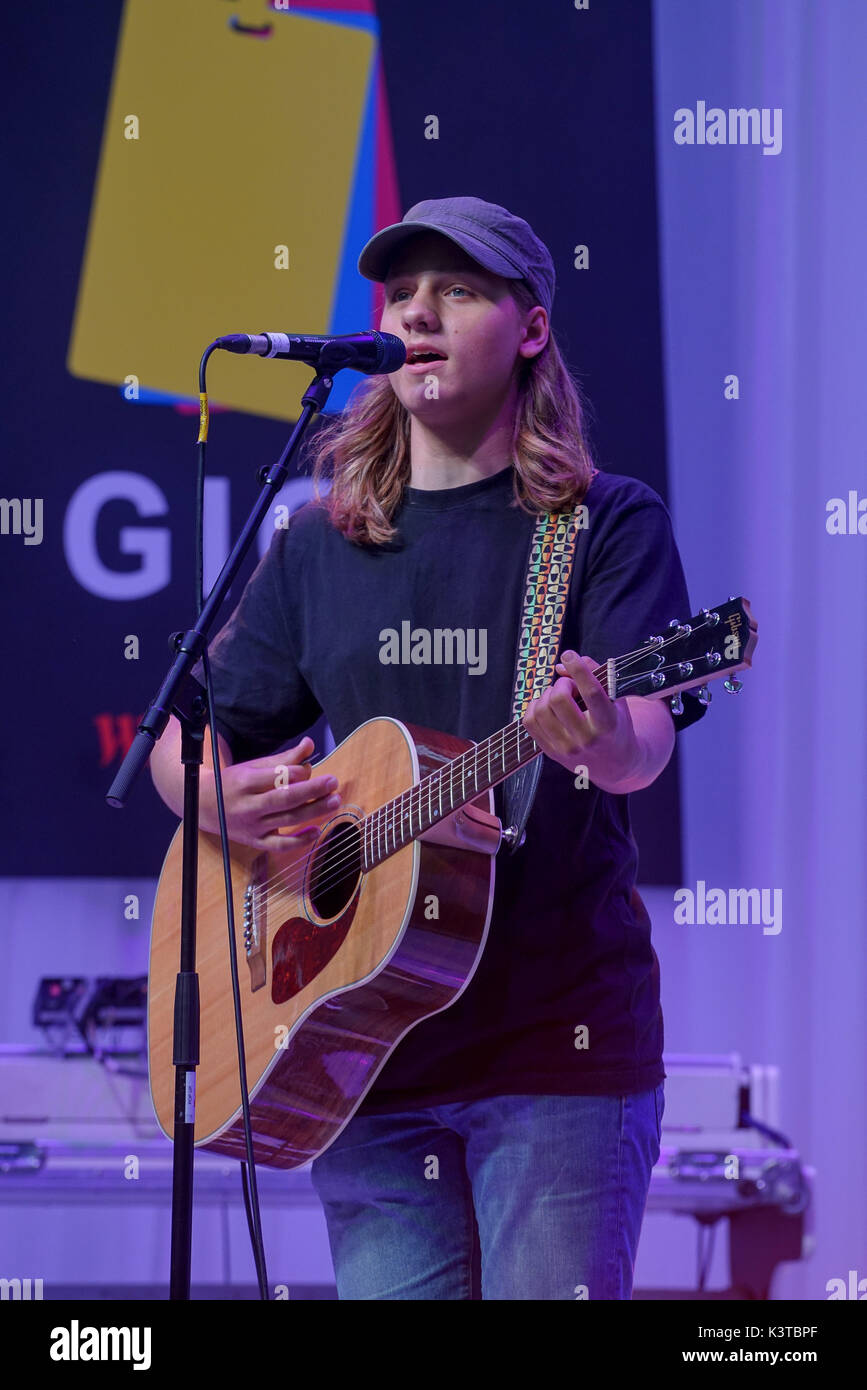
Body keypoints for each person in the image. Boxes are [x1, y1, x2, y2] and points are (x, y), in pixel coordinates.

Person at [150, 196, 707, 1300]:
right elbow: (186, 738)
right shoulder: (321, 542)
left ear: (531, 329)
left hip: (559, 1050)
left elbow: (641, 744)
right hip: (358, 1052)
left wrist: (596, 731)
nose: (419, 313)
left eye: (457, 289)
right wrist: (206, 798)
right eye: (401, 294)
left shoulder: (603, 524)